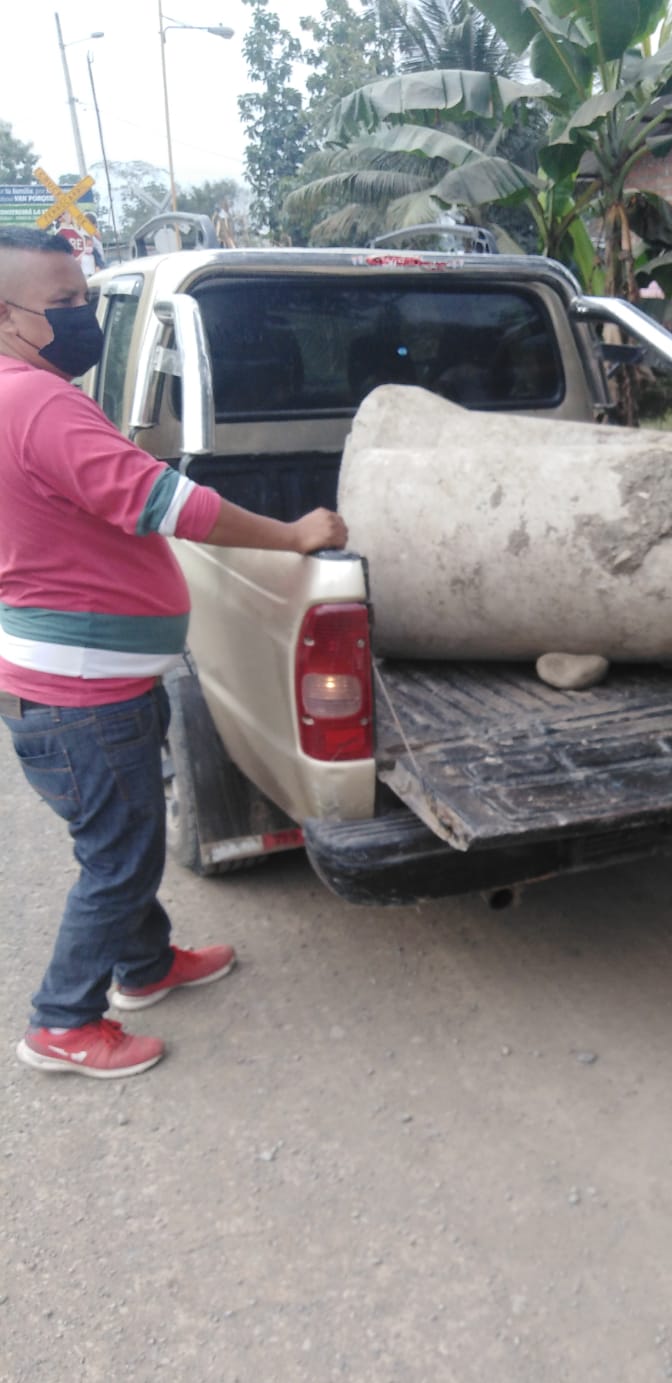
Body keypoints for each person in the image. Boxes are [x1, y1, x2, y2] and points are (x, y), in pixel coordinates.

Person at [0, 226, 348, 1080]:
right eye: (64, 303)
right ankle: (62, 1023)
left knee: (123, 839)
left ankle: (146, 966)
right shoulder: (37, 403)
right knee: (118, 861)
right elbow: (167, 504)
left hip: (64, 683)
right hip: (83, 695)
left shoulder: (18, 397)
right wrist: (293, 535)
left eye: (85, 298)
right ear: (6, 316)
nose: (82, 317)